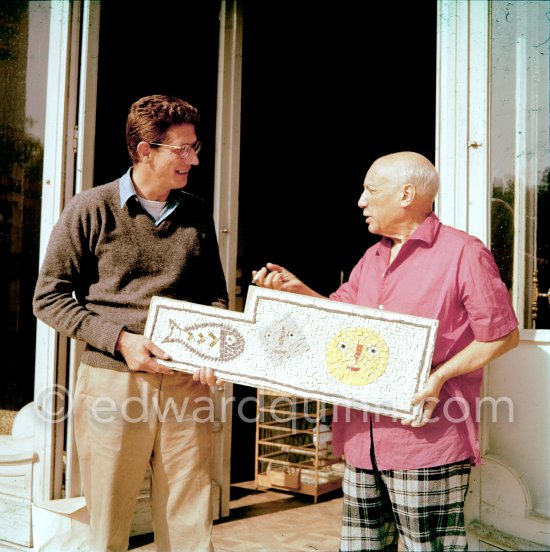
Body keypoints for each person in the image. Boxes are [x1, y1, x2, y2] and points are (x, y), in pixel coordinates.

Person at [253, 151, 519, 551]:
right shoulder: (372, 257)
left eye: (370, 190)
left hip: (426, 440)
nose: (361, 201)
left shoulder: (463, 252)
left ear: (407, 194)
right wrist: (300, 291)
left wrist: (438, 378)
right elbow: (342, 320)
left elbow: (502, 335)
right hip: (362, 437)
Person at [33, 94, 228, 552]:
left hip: (187, 384)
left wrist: (211, 348)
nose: (194, 159)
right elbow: (49, 298)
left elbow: (213, 296)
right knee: (107, 522)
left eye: (195, 147)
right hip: (113, 382)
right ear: (145, 150)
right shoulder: (91, 208)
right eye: (183, 149)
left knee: (190, 522)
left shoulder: (196, 212)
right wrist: (121, 342)